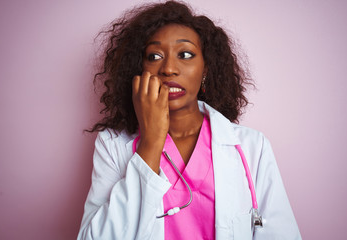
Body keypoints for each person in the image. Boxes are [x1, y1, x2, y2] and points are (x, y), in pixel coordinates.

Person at [77, 1, 301, 239]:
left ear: (206, 69)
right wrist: (151, 142)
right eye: (154, 56)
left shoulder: (251, 146)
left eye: (185, 54)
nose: (169, 69)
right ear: (139, 69)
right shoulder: (111, 146)